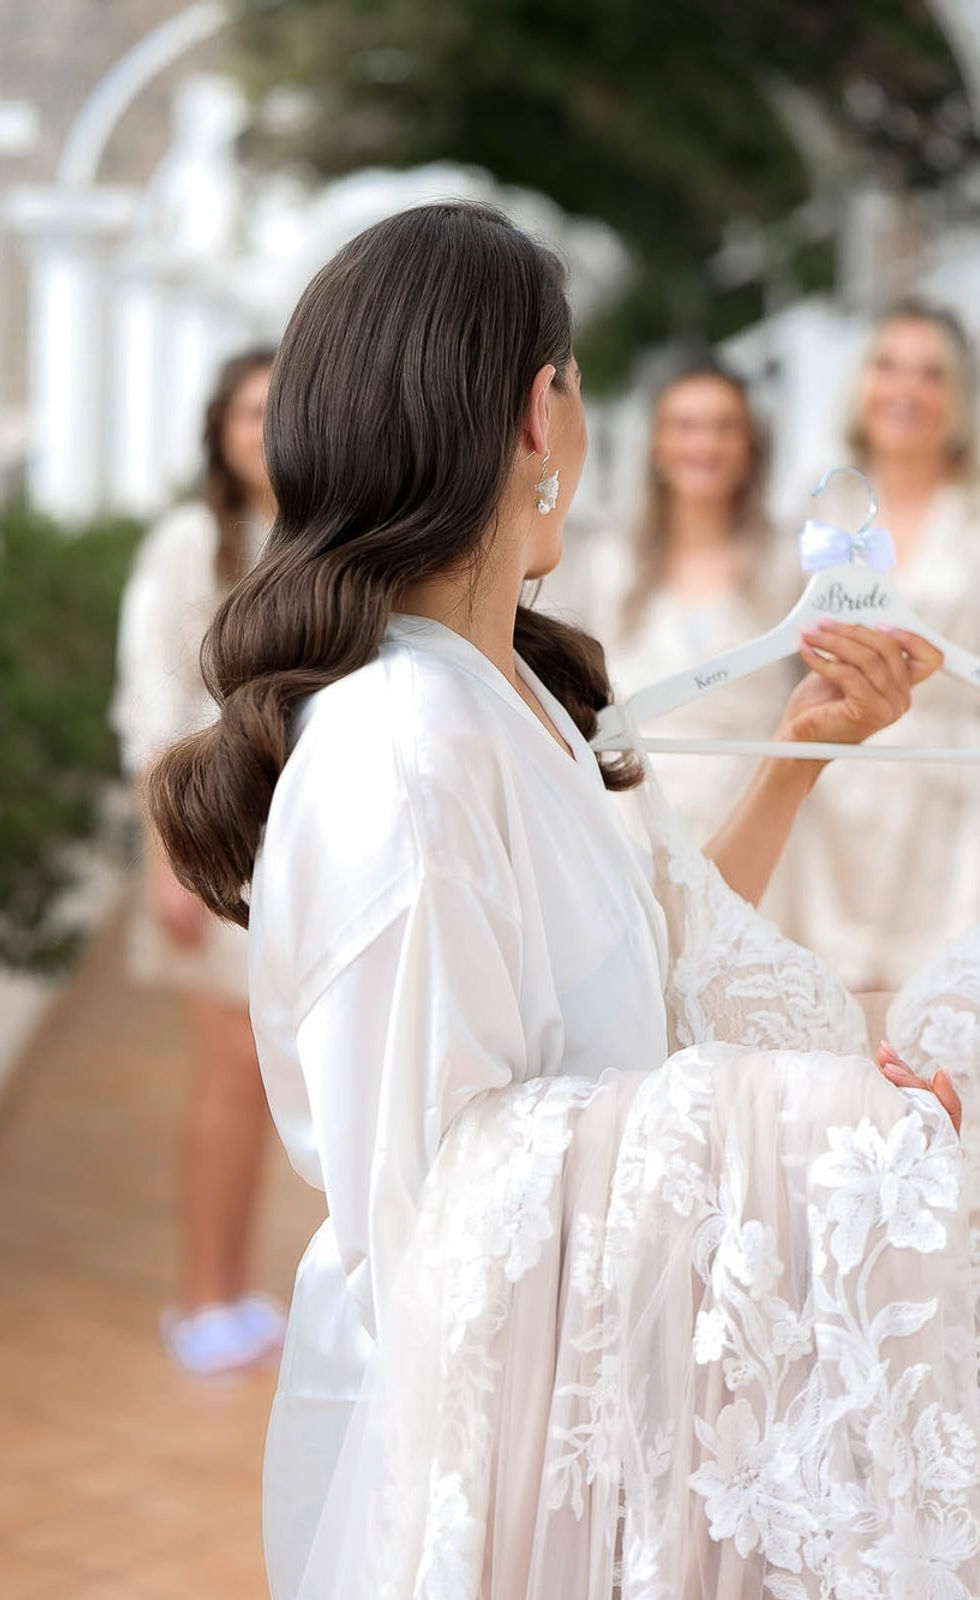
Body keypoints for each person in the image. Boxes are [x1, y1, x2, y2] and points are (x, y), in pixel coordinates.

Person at [146, 206, 976, 1597]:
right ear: (543, 412)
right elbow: (457, 1189)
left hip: (587, 1391)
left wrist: (804, 765)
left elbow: (646, 958)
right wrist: (820, 1128)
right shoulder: (405, 743)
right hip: (498, 1429)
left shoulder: (507, 697)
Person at [112, 348, 287, 1376]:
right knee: (231, 1069)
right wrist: (164, 860)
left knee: (279, 1075)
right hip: (211, 842)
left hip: (304, 842)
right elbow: (149, 704)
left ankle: (239, 1287)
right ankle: (205, 1297)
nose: (265, 429)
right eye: (247, 412)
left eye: (282, 408)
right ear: (218, 433)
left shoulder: (327, 537)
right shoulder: (190, 541)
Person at [777, 300, 980, 989]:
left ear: (958, 396)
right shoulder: (821, 517)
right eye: (889, 366)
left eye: (931, 374)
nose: (906, 391)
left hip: (954, 814)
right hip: (835, 815)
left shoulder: (973, 515)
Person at [574, 359, 798, 849]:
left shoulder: (788, 562)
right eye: (685, 426)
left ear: (751, 445)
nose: (704, 445)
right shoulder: (610, 562)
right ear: (656, 443)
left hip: (754, 818)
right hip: (634, 820)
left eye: (724, 427)